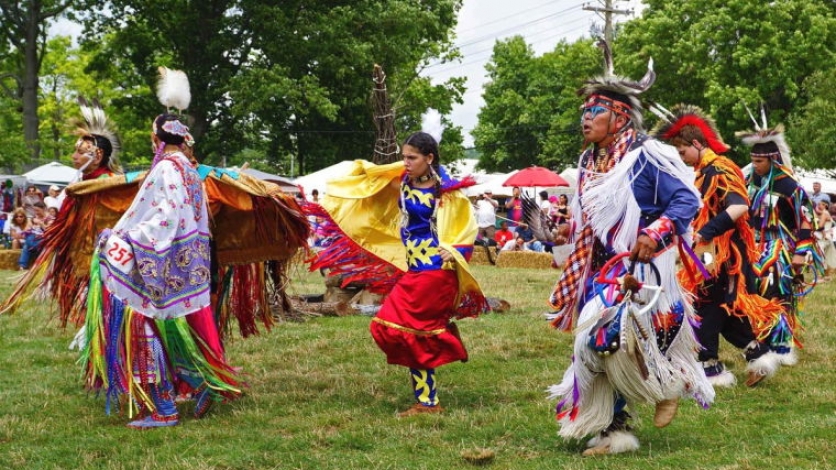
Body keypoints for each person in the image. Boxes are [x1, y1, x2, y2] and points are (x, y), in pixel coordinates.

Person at [545, 41, 712, 456]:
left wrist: (654, 233)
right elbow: (594, 216)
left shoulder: (644, 157)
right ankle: (615, 429)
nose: (585, 118)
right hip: (597, 268)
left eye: (594, 111)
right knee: (601, 346)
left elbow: (686, 201)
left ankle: (665, 386)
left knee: (607, 342)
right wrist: (568, 228)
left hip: (641, 268)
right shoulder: (589, 161)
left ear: (619, 116)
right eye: (584, 111)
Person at [308, 129, 488, 417]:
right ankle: (430, 389)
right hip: (414, 269)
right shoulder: (404, 181)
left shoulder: (447, 193)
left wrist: (454, 249)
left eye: (412, 157)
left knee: (404, 328)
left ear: (429, 158)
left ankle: (429, 398)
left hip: (436, 272)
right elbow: (374, 188)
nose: (406, 162)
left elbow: (465, 227)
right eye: (403, 157)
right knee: (403, 330)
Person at [654, 104, 783, 387]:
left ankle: (710, 367)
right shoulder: (702, 171)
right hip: (710, 254)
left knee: (706, 308)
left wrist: (707, 231)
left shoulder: (721, 168)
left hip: (725, 255)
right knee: (719, 309)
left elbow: (738, 207)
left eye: (683, 152)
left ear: (697, 143)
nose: (682, 158)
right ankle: (757, 354)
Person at [739, 118, 824, 366]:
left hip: (779, 248)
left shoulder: (788, 185)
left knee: (777, 293)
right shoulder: (748, 181)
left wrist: (801, 252)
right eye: (753, 160)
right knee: (754, 294)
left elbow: (806, 219)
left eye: (759, 161)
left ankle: (779, 345)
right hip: (752, 246)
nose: (754, 165)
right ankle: (760, 340)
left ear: (773, 159)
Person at [18, 201, 48, 270]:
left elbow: (50, 231)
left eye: (38, 210)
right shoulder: (32, 219)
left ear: (44, 209)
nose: (36, 212)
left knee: (27, 245)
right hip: (33, 239)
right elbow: (26, 230)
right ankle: (22, 266)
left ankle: (22, 266)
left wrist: (41, 224)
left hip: (44, 239)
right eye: (34, 210)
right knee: (29, 238)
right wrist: (29, 228)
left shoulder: (50, 218)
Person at [814, 201, 836, 278]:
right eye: (819, 204)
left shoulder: (825, 213)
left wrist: (823, 234)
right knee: (825, 257)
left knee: (821, 257)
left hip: (822, 238)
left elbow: (820, 226)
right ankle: (826, 275)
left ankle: (822, 276)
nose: (820, 205)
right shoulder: (825, 213)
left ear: (826, 206)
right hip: (825, 237)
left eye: (823, 204)